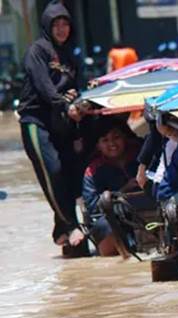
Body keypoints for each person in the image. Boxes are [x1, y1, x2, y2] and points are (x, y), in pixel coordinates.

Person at [18, 0, 85, 249]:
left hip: (62, 123)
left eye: (65, 24)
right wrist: (65, 104)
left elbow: (75, 88)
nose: (61, 29)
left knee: (69, 173)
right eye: (56, 24)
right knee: (53, 171)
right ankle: (70, 225)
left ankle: (61, 226)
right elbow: (44, 87)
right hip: (35, 122)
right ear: (47, 25)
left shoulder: (69, 55)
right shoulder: (37, 51)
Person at [81, 122, 141, 256]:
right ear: (98, 145)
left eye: (116, 137)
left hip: (146, 211)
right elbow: (93, 207)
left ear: (124, 139)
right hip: (113, 218)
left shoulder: (141, 158)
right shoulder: (93, 170)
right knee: (105, 226)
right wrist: (122, 191)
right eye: (105, 140)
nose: (112, 143)